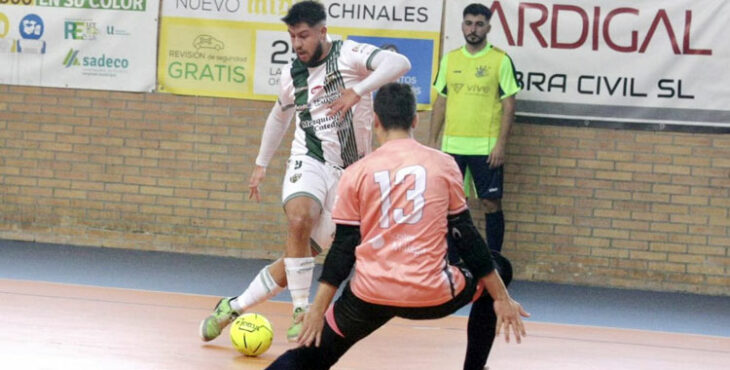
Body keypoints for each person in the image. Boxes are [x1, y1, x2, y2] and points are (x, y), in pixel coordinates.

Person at [267, 83, 528, 369]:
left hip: (368, 297)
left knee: (310, 356)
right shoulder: (443, 164)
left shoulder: (356, 173)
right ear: (415, 120)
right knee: (498, 265)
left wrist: (318, 310)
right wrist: (501, 298)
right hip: (432, 294)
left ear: (375, 121)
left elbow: (343, 250)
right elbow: (466, 237)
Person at [199, 1, 411, 343]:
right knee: (298, 219)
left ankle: (234, 306)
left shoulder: (349, 55)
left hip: (350, 175)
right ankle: (300, 308)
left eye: (304, 36)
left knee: (296, 259)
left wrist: (357, 91)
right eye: (292, 36)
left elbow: (400, 62)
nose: (297, 44)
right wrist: (261, 164)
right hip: (308, 158)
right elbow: (279, 116)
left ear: (323, 32)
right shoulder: (291, 73)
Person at [430, 3, 520, 254]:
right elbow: (441, 102)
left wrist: (500, 144)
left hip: (485, 147)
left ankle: (494, 261)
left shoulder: (500, 60)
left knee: (491, 202)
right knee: (453, 206)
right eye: (469, 23)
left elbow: (509, 105)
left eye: (479, 24)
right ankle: (455, 262)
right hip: (452, 147)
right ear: (462, 25)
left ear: (488, 27)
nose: (473, 29)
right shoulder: (451, 59)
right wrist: (433, 143)